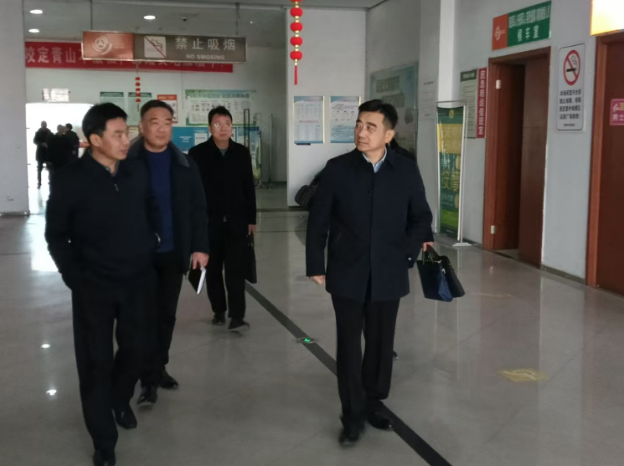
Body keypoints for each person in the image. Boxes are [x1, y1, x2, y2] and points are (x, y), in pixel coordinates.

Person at [306, 100, 434, 446]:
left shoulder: (405, 170)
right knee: (349, 345)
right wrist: (316, 264)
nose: (361, 132)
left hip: (389, 271)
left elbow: (421, 217)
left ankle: (373, 402)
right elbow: (318, 220)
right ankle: (351, 414)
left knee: (380, 343)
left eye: (371, 127)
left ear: (388, 135)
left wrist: (405, 253)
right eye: (359, 125)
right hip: (347, 270)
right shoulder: (337, 169)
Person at [45, 103, 160, 466]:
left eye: (127, 132)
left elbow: (151, 208)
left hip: (137, 280)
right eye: (118, 134)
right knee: (95, 363)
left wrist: (152, 240)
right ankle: (103, 440)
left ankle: (119, 398)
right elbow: (56, 236)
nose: (126, 140)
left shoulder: (136, 171)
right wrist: (75, 278)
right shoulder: (70, 179)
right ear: (95, 140)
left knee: (137, 349)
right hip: (93, 286)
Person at [128, 100, 209, 406]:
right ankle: (147, 378)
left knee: (166, 316)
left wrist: (200, 247)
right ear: (142, 126)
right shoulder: (127, 162)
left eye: (167, 122)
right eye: (154, 122)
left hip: (174, 253)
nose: (161, 128)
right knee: (143, 318)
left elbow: (199, 207)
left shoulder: (184, 164)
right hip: (139, 256)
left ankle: (158, 367)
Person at [189, 106, 257, 332]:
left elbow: (248, 187)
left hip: (237, 223)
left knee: (236, 271)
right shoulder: (198, 154)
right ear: (210, 128)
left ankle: (237, 316)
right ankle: (218, 310)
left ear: (232, 127)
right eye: (218, 124)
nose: (223, 128)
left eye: (227, 124)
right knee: (213, 271)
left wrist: (251, 219)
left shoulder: (241, 152)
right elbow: (193, 192)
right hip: (209, 223)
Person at [33, 121, 52, 188]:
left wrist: (48, 144)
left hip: (47, 153)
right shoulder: (38, 133)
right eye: (43, 124)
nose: (44, 126)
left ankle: (50, 181)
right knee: (39, 169)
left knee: (50, 169)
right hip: (40, 153)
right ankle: (39, 183)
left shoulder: (49, 133)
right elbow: (35, 141)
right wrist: (41, 144)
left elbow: (52, 140)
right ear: (41, 125)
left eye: (45, 124)